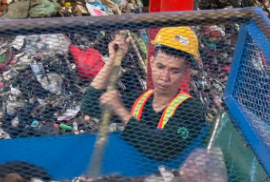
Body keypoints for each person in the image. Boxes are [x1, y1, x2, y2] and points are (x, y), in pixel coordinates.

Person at [82, 27, 209, 162]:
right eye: (160, 67)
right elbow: (89, 105)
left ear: (186, 72)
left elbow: (162, 150)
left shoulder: (191, 109)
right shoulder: (139, 100)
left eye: (174, 71)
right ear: (152, 62)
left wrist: (120, 110)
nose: (164, 77)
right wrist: (113, 61)